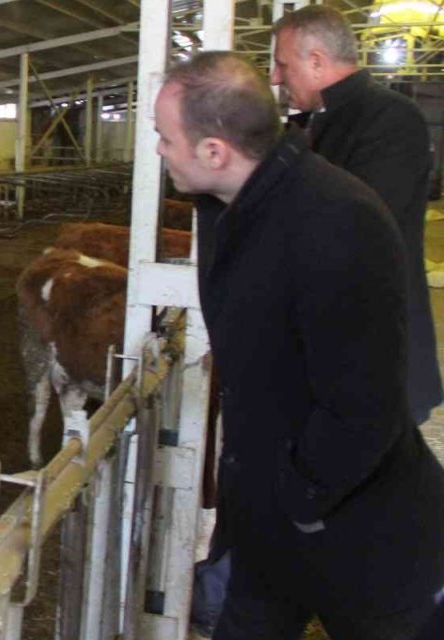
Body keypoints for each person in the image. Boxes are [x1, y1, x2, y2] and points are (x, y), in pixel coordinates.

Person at [156, 51, 444, 639]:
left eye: (165, 138)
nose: (160, 151)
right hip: (270, 519)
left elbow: (366, 407)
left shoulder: (338, 221)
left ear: (215, 152)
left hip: (358, 528)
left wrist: (300, 496)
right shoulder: (226, 209)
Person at [272, 4, 442, 424]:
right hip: (331, 350)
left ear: (315, 61)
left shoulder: (391, 118)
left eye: (281, 64)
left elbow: (358, 225)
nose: (275, 78)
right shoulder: (315, 123)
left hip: (375, 352)